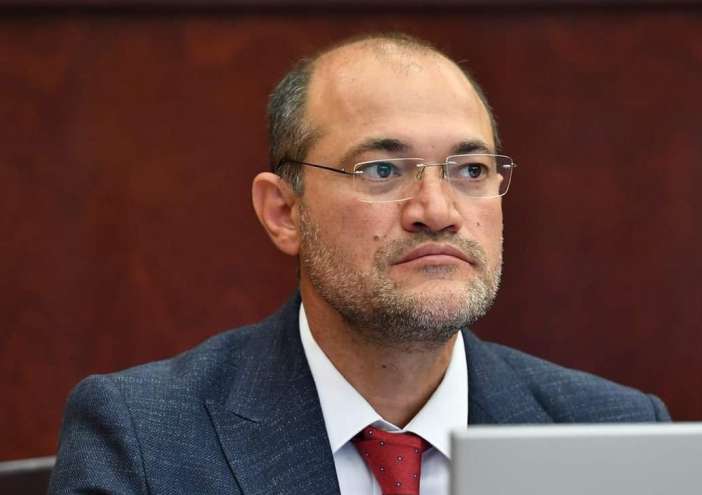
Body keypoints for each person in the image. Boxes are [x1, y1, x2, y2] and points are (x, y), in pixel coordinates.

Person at [49, 32, 669, 495]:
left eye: (470, 170)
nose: (437, 210)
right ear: (284, 212)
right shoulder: (144, 439)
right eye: (381, 170)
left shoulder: (618, 434)